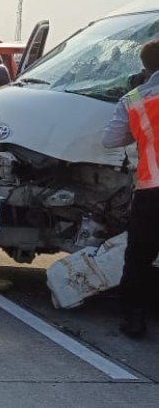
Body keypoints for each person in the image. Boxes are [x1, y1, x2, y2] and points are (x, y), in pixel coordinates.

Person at [100, 39, 159, 339]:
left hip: (151, 191)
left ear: (145, 67)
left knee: (139, 257)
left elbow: (110, 141)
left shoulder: (134, 98)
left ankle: (134, 320)